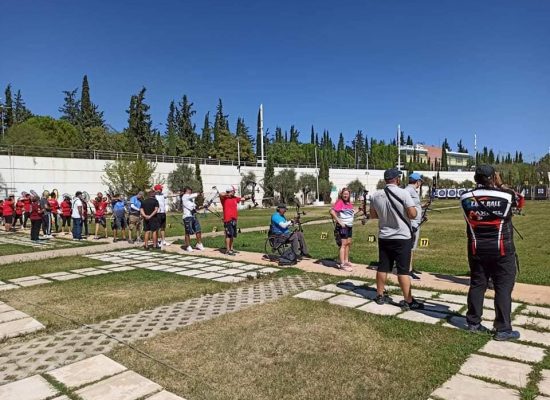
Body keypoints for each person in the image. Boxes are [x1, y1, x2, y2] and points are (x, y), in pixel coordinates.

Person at [460, 165, 522, 341]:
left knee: (477, 284)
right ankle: (503, 329)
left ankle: (473, 322)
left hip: (476, 248)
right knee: (503, 287)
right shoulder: (506, 195)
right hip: (502, 248)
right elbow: (519, 201)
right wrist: (500, 184)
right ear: (493, 177)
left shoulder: (465, 197)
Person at [369, 168, 424, 311]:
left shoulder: (376, 195)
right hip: (402, 236)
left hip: (384, 235)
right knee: (403, 270)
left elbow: (373, 215)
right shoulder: (404, 193)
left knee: (383, 267)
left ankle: (380, 295)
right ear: (397, 179)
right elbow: (412, 214)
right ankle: (408, 300)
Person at [219, 186, 251, 255]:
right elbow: (220, 194)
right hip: (228, 219)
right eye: (234, 191)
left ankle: (231, 248)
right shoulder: (224, 198)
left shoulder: (235, 198)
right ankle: (227, 250)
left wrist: (248, 197)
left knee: (232, 234)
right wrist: (228, 194)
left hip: (234, 219)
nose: (235, 192)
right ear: (230, 191)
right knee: (228, 235)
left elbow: (242, 199)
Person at [330, 188, 355, 271]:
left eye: (347, 194)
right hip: (343, 227)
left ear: (349, 195)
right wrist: (339, 221)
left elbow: (351, 214)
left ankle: (346, 261)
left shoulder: (349, 203)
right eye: (344, 194)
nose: (345, 195)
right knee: (343, 244)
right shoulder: (340, 202)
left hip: (349, 226)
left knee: (348, 243)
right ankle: (342, 264)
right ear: (341, 194)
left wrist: (359, 210)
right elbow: (332, 211)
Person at [405, 173, 424, 280]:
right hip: (412, 223)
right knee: (410, 247)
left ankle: (411, 267)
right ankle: (408, 269)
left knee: (413, 246)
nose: (420, 183)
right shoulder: (409, 190)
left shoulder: (412, 191)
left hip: (415, 222)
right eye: (420, 181)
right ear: (417, 181)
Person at [181, 186, 204, 252]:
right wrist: (199, 193)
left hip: (193, 216)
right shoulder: (185, 196)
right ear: (186, 191)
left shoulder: (190, 198)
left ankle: (199, 244)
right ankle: (188, 246)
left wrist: (201, 207)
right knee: (187, 232)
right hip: (187, 217)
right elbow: (194, 195)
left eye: (191, 190)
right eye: (189, 190)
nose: (190, 191)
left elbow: (194, 207)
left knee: (198, 230)